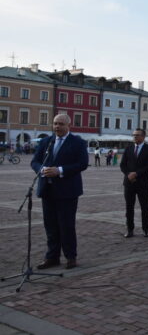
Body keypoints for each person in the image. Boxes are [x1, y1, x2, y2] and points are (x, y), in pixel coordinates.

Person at [31, 114, 89, 270]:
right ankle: (52, 257)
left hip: (67, 192)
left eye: (61, 124)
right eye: (55, 123)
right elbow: (35, 161)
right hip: (47, 190)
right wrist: (41, 169)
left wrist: (60, 170)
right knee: (50, 226)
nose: (57, 126)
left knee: (66, 225)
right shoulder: (46, 141)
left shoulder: (77, 142)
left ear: (68, 125)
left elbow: (83, 164)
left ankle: (71, 257)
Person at [119, 128, 148, 238]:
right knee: (129, 207)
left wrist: (136, 174)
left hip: (143, 183)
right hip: (129, 182)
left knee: (144, 207)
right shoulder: (129, 148)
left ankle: (146, 229)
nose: (135, 137)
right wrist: (128, 174)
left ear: (143, 137)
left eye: (137, 135)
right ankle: (130, 229)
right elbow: (122, 165)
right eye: (134, 135)